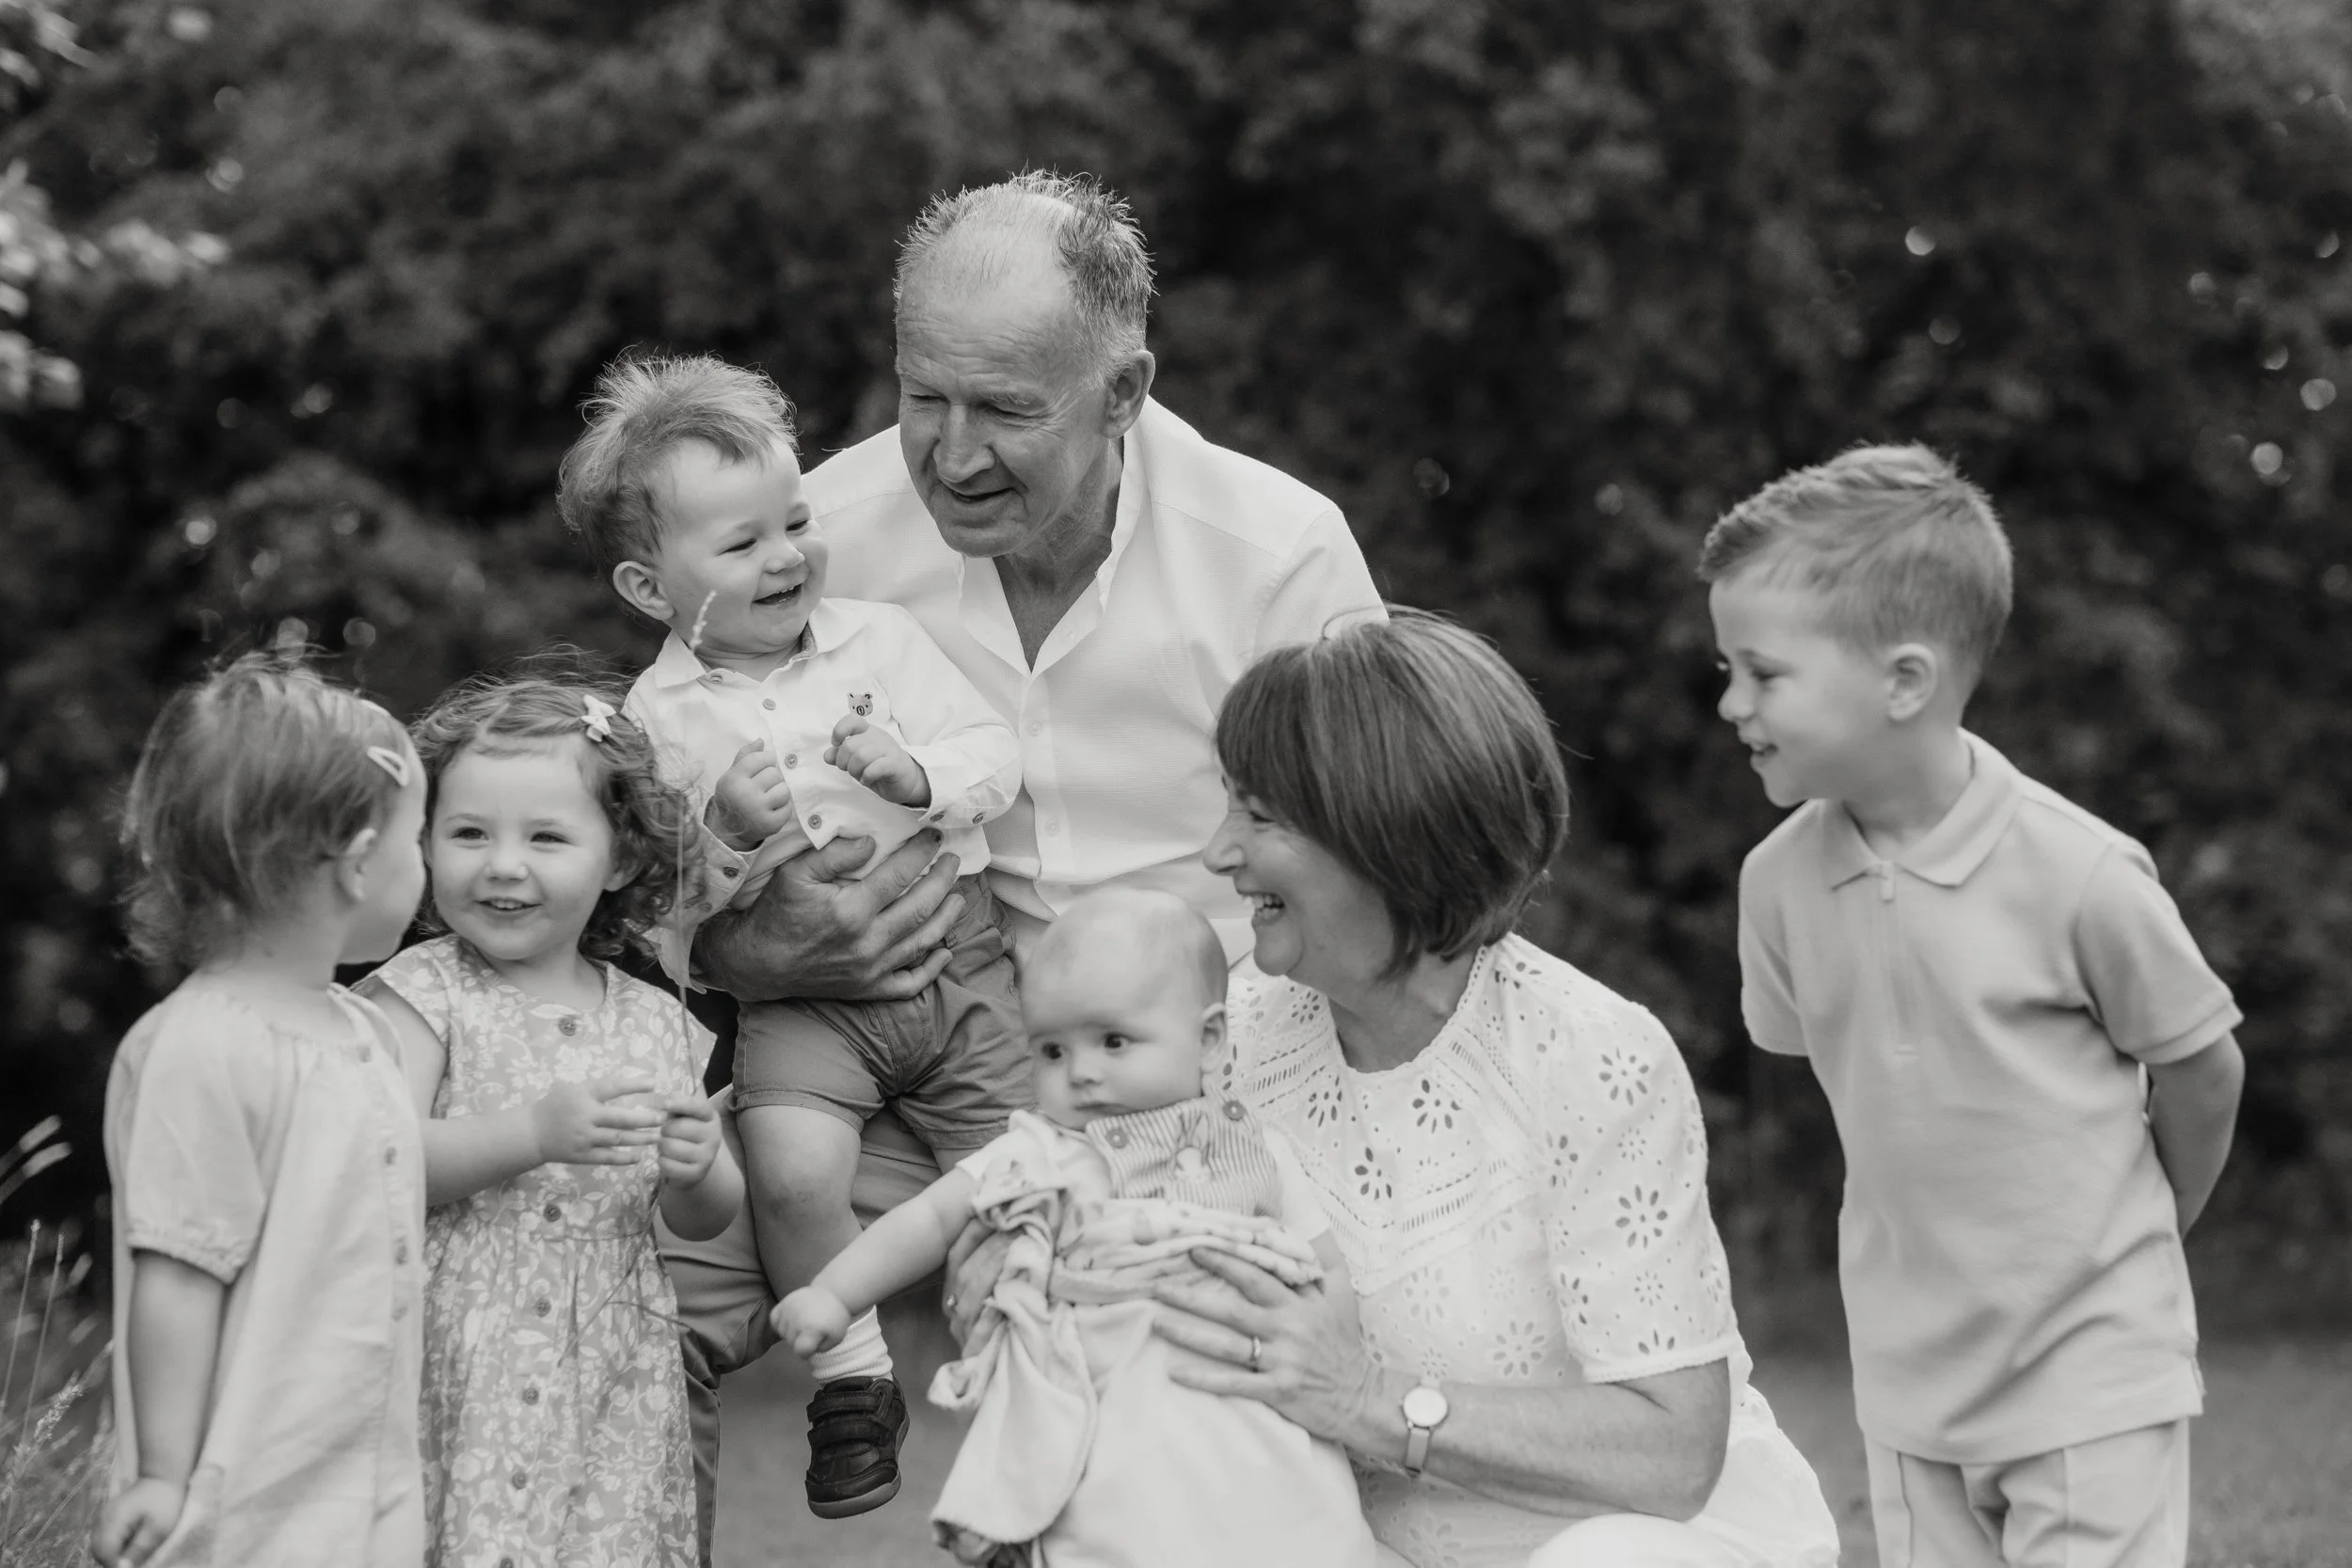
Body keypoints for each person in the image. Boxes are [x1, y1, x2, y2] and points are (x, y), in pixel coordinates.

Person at [655, 168, 1383, 1547]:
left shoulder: (1276, 556)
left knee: (1188, 1399)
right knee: (645, 1277)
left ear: (1124, 390)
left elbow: (1360, 878)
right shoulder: (813, 534)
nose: (951, 450)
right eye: (923, 394)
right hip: (880, 1047)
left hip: (1212, 1083)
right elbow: (656, 800)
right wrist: (738, 947)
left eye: (1004, 408)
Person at [1045, 610, 1841, 1568]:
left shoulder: (1587, 1053)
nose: (1219, 851)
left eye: (1259, 815)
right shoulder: (1225, 1042)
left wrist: (1367, 1399)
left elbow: (1674, 1451)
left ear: (1388, 833)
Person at [1700, 446, 2245, 1568]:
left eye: (1761, 672)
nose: (1729, 702)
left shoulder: (2081, 873)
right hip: (1909, 1382)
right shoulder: (1776, 884)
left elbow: (2203, 1068)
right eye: (1726, 668)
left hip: (2092, 1364)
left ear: (1903, 680)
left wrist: (2146, 1235)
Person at [559, 353, 1025, 1517]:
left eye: (796, 522)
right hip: (802, 1011)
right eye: (740, 543)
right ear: (645, 585)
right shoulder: (650, 725)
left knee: (1022, 1194)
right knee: (789, 1165)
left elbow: (993, 752)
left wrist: (917, 776)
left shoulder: (883, 642)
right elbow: (648, 910)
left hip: (957, 966)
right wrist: (718, 834)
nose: (785, 557)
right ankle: (854, 1380)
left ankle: (1040, 1435)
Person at [774, 888, 1377, 1568]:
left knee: (1289, 1526)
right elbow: (931, 1216)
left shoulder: (1255, 1144)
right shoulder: (1041, 1148)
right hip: (1112, 1420)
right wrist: (835, 1293)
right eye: (1052, 1051)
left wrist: (1341, 1376)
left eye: (1113, 1040)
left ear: (1209, 1039)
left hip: (1250, 1413)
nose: (1081, 1072)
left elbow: (1324, 1269)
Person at [358, 675, 743, 1566]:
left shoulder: (654, 1019)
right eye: (468, 833)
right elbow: (377, 1158)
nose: (502, 863)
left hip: (612, 1361)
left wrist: (699, 1167)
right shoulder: (425, 992)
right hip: (458, 1343)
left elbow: (698, 1217)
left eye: (545, 836)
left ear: (616, 860)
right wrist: (530, 1133)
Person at [93, 654, 430, 1567]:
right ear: (361, 863)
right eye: (418, 839)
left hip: (369, 1478)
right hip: (242, 1504)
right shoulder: (201, 1048)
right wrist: (163, 1471)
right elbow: (179, 1268)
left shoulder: (362, 1031)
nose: (425, 867)